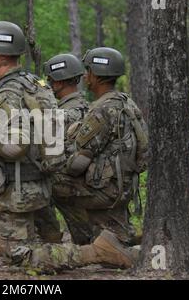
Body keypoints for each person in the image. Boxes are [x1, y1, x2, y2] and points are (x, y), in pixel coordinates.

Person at [0, 22, 138, 272]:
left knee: (20, 258)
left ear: (0, 53)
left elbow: (16, 145)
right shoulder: (33, 84)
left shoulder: (9, 92)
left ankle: (95, 251)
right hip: (38, 183)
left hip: (13, 186)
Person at [63, 47, 149, 246]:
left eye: (89, 70)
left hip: (106, 192)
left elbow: (78, 163)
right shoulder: (127, 103)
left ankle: (84, 238)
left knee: (50, 182)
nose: (85, 75)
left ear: (98, 75)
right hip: (125, 188)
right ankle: (116, 231)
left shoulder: (102, 109)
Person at [34, 53, 92, 245]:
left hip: (70, 184)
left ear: (59, 82)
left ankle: (49, 233)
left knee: (33, 179)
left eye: (50, 79)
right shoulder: (86, 106)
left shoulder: (68, 112)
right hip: (84, 183)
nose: (48, 83)